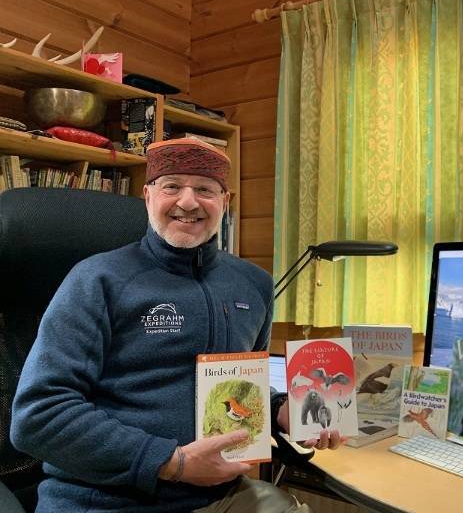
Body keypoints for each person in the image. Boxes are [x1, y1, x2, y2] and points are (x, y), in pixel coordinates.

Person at [11, 138, 341, 512]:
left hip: (219, 494)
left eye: (204, 189)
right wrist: (173, 463)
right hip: (106, 500)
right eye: (172, 186)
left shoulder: (254, 284)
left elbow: (238, 386)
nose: (188, 202)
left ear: (225, 202)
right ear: (148, 196)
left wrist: (281, 409)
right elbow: (38, 416)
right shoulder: (96, 280)